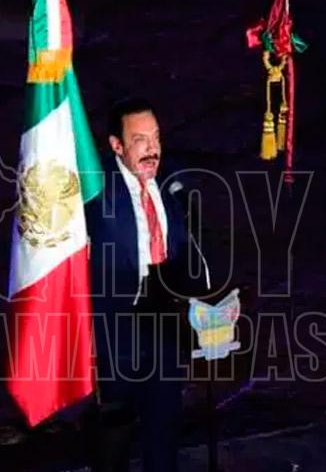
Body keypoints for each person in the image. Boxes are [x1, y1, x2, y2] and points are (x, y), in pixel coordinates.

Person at [84, 97, 209, 472]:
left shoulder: (171, 184)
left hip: (164, 326)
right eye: (139, 140)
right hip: (116, 331)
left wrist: (204, 299)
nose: (152, 149)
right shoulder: (95, 189)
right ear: (117, 145)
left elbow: (185, 249)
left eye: (155, 137)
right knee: (114, 440)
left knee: (164, 432)